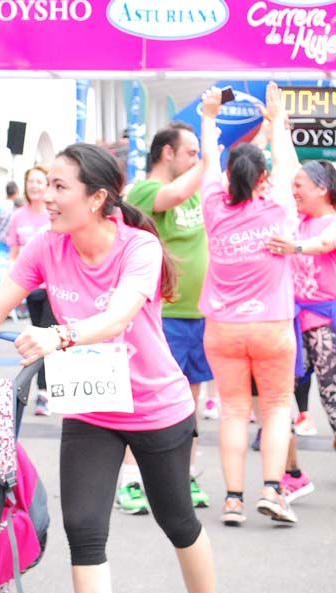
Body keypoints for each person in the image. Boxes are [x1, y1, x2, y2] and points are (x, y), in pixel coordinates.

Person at [0, 142, 225, 593]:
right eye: (47, 185)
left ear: (98, 197)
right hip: (91, 407)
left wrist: (57, 336)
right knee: (84, 529)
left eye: (60, 187)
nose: (48, 197)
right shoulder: (44, 246)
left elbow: (119, 318)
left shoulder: (138, 248)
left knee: (177, 521)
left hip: (156, 406)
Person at [199, 82, 299, 527]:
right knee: (277, 406)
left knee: (235, 410)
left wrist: (207, 117)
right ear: (263, 178)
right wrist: (276, 120)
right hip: (272, 326)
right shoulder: (278, 203)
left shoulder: (211, 204)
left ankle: (234, 500)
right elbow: (287, 160)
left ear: (228, 175)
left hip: (221, 327)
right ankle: (274, 493)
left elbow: (208, 159)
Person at [124, 105, 220, 513]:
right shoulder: (144, 191)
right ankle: (131, 481)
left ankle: (187, 475)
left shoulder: (195, 186)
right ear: (167, 154)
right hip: (167, 316)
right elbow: (176, 194)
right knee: (147, 399)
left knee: (190, 402)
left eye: (199, 153)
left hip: (200, 315)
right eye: (190, 153)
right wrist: (212, 156)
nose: (196, 160)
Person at [267, 159, 336, 514]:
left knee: (332, 401)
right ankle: (292, 473)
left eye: (300, 184)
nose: (294, 191)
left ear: (322, 188)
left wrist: (294, 248)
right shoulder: (295, 221)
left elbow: (326, 244)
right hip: (294, 322)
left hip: (329, 324)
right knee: (281, 403)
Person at [5, 165, 56, 415]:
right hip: (29, 288)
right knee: (36, 334)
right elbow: (13, 254)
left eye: (39, 181)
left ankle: (43, 393)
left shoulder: (52, 214)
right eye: (31, 182)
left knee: (44, 338)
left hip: (52, 288)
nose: (35, 186)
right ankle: (47, 387)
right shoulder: (18, 216)